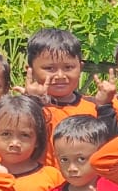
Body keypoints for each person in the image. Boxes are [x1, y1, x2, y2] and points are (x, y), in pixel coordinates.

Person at [24, 28, 97, 164]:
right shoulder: (22, 109)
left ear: (80, 67)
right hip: (43, 182)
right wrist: (33, 102)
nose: (60, 76)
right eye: (49, 69)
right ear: (30, 70)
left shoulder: (94, 108)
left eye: (68, 67)